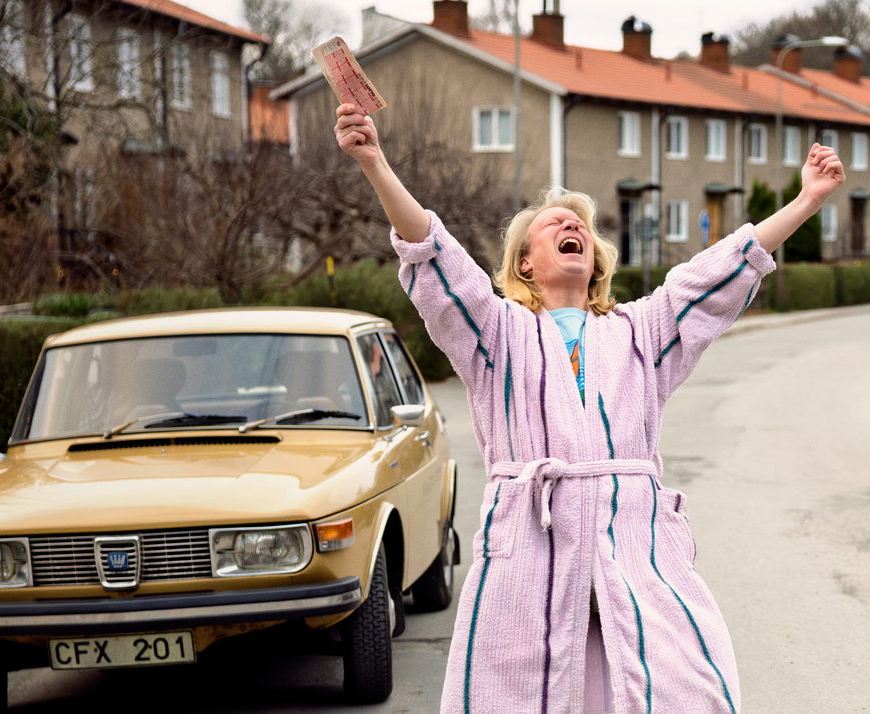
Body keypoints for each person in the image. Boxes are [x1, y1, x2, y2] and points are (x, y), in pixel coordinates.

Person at [335, 103, 844, 714]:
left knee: (677, 686)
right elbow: (432, 253)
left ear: (595, 259)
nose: (569, 224)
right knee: (518, 694)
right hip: (531, 547)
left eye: (577, 223)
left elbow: (719, 273)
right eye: (552, 223)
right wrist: (375, 162)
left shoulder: (642, 332)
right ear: (525, 263)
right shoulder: (496, 334)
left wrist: (806, 201)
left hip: (635, 546)